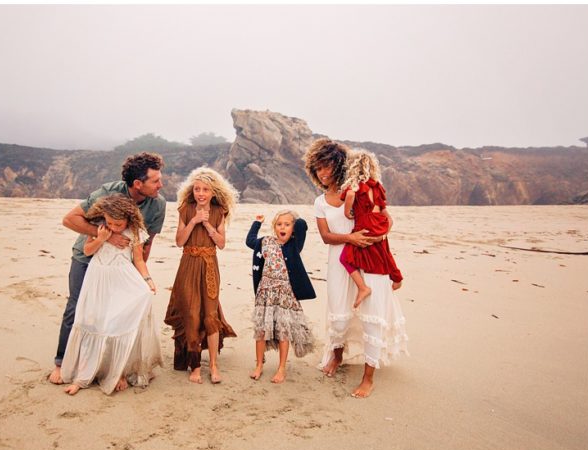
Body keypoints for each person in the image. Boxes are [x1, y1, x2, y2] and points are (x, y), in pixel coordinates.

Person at [47, 152, 166, 385]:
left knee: (116, 313)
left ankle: (113, 366)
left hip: (122, 265)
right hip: (88, 256)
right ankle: (62, 362)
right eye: (156, 180)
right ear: (137, 184)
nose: (161, 184)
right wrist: (107, 237)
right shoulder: (108, 192)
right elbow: (70, 219)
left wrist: (138, 275)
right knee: (77, 307)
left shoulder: (158, 204)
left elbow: (147, 243)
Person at [303, 138, 408, 398]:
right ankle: (336, 356)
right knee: (339, 313)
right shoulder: (321, 202)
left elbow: (385, 219)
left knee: (372, 318)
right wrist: (351, 238)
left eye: (327, 166)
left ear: (339, 165)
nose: (323, 173)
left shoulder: (360, 190)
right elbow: (326, 236)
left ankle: (368, 378)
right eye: (318, 168)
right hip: (340, 261)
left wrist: (375, 235)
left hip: (370, 257)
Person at [59, 195, 162, 395]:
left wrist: (148, 281)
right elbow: (88, 251)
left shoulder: (135, 232)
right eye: (110, 222)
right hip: (97, 278)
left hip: (122, 279)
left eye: (118, 223)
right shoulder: (100, 227)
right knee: (93, 322)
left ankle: (119, 372)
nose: (114, 227)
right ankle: (83, 376)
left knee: (118, 324)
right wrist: (101, 238)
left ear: (129, 219)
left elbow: (139, 260)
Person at [164, 167, 238, 384]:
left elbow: (221, 244)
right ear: (192, 190)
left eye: (205, 189)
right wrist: (195, 220)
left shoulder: (219, 211)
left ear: (213, 192)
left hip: (209, 266)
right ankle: (195, 365)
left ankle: (213, 365)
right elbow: (179, 241)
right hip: (187, 264)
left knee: (210, 315)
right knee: (191, 313)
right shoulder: (185, 209)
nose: (201, 193)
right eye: (197, 189)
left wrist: (207, 223)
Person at [245, 210, 316, 383]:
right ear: (274, 227)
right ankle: (259, 365)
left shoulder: (294, 245)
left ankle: (281, 368)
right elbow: (249, 241)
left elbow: (302, 226)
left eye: (287, 224)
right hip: (265, 293)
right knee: (261, 331)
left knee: (283, 331)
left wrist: (294, 220)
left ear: (293, 228)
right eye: (279, 224)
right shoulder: (266, 242)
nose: (282, 227)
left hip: (285, 294)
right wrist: (257, 222)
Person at [340, 149, 403, 308]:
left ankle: (363, 287)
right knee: (384, 251)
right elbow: (383, 210)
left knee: (345, 258)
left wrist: (348, 213)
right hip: (379, 223)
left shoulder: (354, 187)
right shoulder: (377, 187)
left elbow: (348, 198)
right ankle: (396, 277)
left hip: (365, 223)